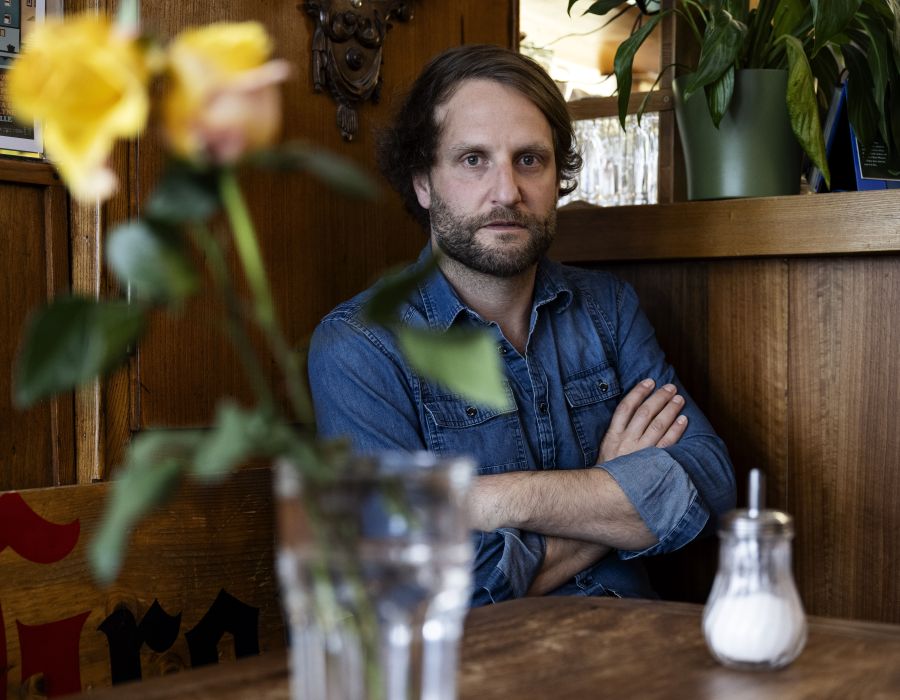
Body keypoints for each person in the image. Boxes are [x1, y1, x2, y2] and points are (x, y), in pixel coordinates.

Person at [308, 44, 736, 605]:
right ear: (423, 182)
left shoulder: (608, 309)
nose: (507, 191)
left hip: (640, 656)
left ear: (559, 174)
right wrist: (610, 493)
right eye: (473, 160)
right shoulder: (359, 347)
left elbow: (709, 483)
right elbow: (408, 587)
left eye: (529, 159)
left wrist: (494, 499)